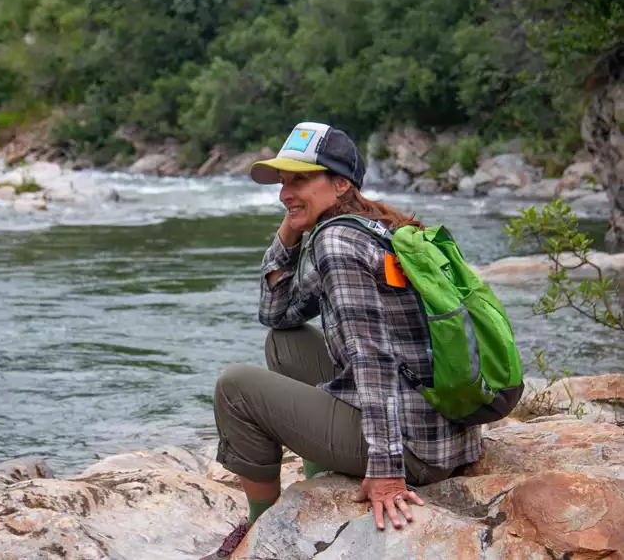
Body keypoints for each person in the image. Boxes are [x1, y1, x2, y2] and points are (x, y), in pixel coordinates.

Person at [198, 122, 483, 560]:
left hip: (414, 452)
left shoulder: (338, 244)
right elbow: (275, 314)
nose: (284, 193)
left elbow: (374, 358)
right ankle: (321, 472)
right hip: (445, 430)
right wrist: (288, 233)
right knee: (284, 342)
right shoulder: (372, 226)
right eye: (283, 182)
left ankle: (260, 528)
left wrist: (386, 471)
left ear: (341, 182)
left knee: (234, 387)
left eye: (300, 180)